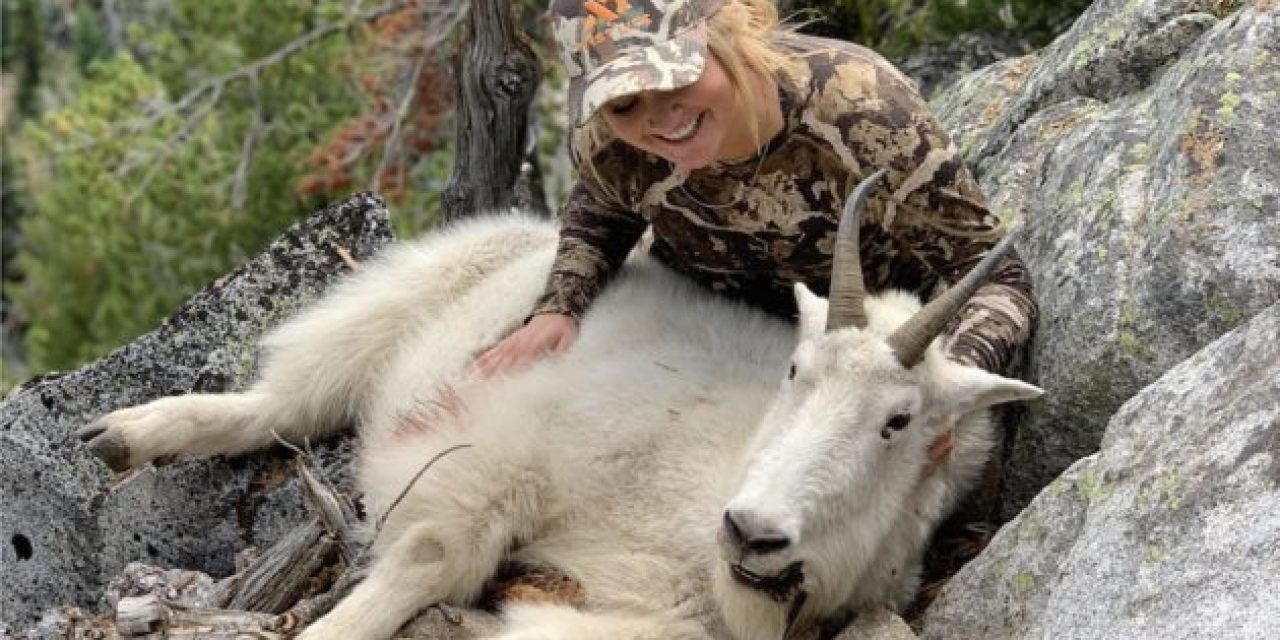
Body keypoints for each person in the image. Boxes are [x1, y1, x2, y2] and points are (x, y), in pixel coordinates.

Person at [474, 0, 1036, 477]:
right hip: (716, 345)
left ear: (728, 34)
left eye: (675, 74)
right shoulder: (608, 138)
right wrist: (558, 307)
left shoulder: (863, 112)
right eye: (624, 102)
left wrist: (940, 391)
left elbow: (993, 273)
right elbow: (603, 208)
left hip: (861, 365)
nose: (659, 118)